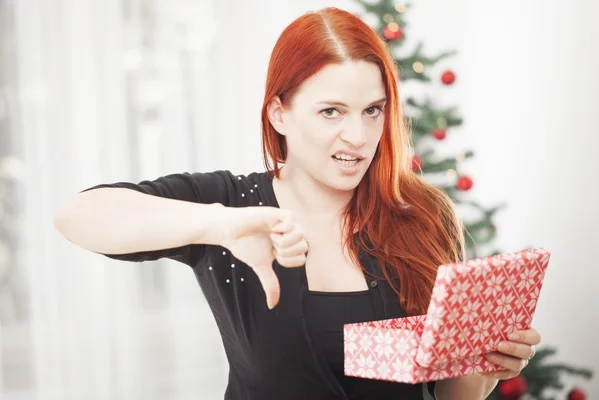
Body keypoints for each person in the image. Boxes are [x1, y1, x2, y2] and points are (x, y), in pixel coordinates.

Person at [53, 7, 540, 400]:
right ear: (279, 113)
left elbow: (452, 395)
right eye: (332, 111)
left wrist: (484, 369)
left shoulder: (422, 215)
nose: (359, 136)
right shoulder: (233, 206)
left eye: (373, 111)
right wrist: (220, 227)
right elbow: (77, 216)